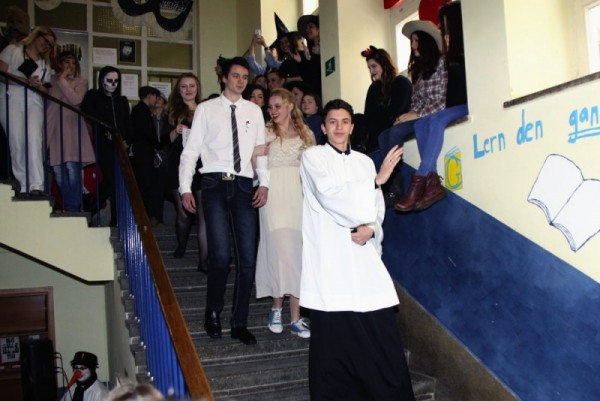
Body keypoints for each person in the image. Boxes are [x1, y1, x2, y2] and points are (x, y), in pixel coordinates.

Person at [299, 99, 415, 401]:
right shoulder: (312, 158)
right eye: (333, 122)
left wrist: (372, 229)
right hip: (330, 259)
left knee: (381, 339)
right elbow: (328, 195)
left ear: (352, 126)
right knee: (334, 349)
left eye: (345, 121)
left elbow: (376, 209)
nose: (339, 127)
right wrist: (376, 181)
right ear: (323, 128)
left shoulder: (364, 162)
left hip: (362, 261)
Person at [179, 57, 268, 345]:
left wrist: (264, 182)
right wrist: (185, 188)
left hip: (243, 185)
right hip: (213, 183)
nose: (241, 81)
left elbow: (260, 151)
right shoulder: (206, 109)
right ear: (224, 78)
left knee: (248, 258)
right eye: (236, 75)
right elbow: (190, 152)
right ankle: (213, 311)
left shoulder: (254, 111)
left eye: (244, 77)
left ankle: (239, 322)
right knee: (219, 256)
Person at [255, 88, 315, 338]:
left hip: (298, 198)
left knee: (297, 255)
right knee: (280, 252)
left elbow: (314, 169)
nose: (273, 111)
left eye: (277, 105)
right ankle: (276, 308)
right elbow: (255, 163)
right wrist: (256, 158)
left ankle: (295, 318)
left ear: (290, 105)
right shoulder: (265, 131)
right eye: (270, 107)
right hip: (273, 196)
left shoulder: (306, 133)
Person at [377, 20, 447, 210]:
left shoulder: (442, 63)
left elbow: (442, 100)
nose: (413, 45)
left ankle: (395, 183)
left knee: (396, 133)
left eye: (416, 41)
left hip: (434, 113)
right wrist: (407, 115)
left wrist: (416, 115)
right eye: (412, 41)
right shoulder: (418, 70)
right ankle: (394, 181)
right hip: (420, 115)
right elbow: (416, 101)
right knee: (383, 135)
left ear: (426, 42)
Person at [409, 1, 468, 211]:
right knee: (419, 124)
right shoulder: (449, 56)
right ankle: (433, 183)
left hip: (467, 103)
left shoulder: (462, 52)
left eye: (443, 27)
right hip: (452, 106)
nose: (442, 31)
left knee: (435, 119)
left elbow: (447, 96)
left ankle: (421, 176)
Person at [0, 26, 56, 196]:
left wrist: (38, 86)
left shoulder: (45, 64)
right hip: (11, 98)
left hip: (34, 100)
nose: (46, 45)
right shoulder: (13, 50)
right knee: (16, 141)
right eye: (45, 40)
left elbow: (47, 90)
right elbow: (2, 74)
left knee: (34, 139)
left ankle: (36, 185)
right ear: (36, 35)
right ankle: (23, 184)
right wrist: (25, 81)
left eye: (50, 44)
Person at [165, 73, 208, 272]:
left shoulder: (206, 109)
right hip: (178, 163)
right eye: (184, 86)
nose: (188, 90)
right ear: (178, 90)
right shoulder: (171, 110)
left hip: (201, 164)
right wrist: (176, 131)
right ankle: (181, 246)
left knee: (203, 213)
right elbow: (163, 140)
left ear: (197, 88)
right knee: (183, 213)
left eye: (192, 85)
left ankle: (204, 260)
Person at [81, 65, 132, 226]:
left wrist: (126, 140)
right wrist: (106, 131)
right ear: (102, 80)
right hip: (104, 143)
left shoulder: (121, 101)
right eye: (109, 80)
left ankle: (107, 214)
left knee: (118, 181)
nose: (113, 84)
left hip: (120, 145)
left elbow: (126, 123)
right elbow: (88, 111)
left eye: (116, 81)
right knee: (112, 179)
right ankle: (92, 206)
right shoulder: (94, 96)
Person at [47, 50, 95, 212]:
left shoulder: (81, 81)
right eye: (67, 62)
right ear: (60, 64)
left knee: (73, 171)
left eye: (74, 63)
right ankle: (70, 207)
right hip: (54, 130)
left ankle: (72, 210)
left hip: (72, 131)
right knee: (59, 173)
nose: (71, 66)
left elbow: (75, 99)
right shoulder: (51, 80)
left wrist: (63, 80)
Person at [131, 85, 165, 226]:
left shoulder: (140, 110)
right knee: (145, 184)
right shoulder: (142, 111)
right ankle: (145, 215)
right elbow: (148, 133)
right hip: (143, 154)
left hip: (142, 152)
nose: (156, 100)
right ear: (149, 96)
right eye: (155, 96)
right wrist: (159, 145)